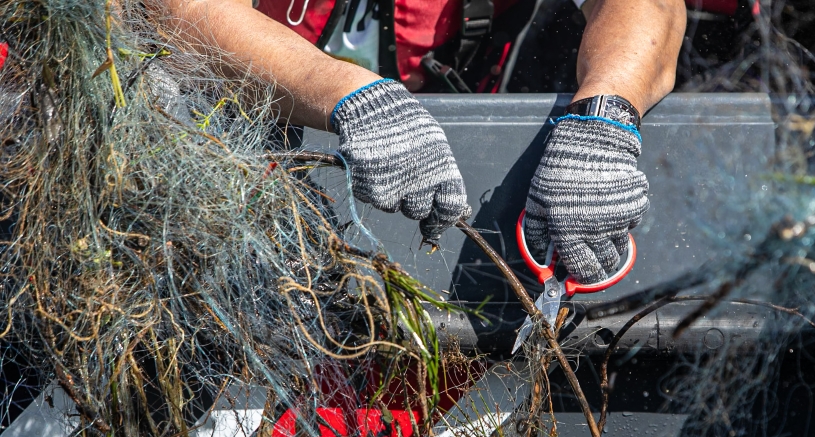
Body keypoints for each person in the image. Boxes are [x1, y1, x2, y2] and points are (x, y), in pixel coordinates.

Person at [162, 0, 686, 284]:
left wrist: (605, 115)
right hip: (229, 177)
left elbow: (651, 7)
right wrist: (347, 92)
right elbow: (171, 12)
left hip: (468, 188)